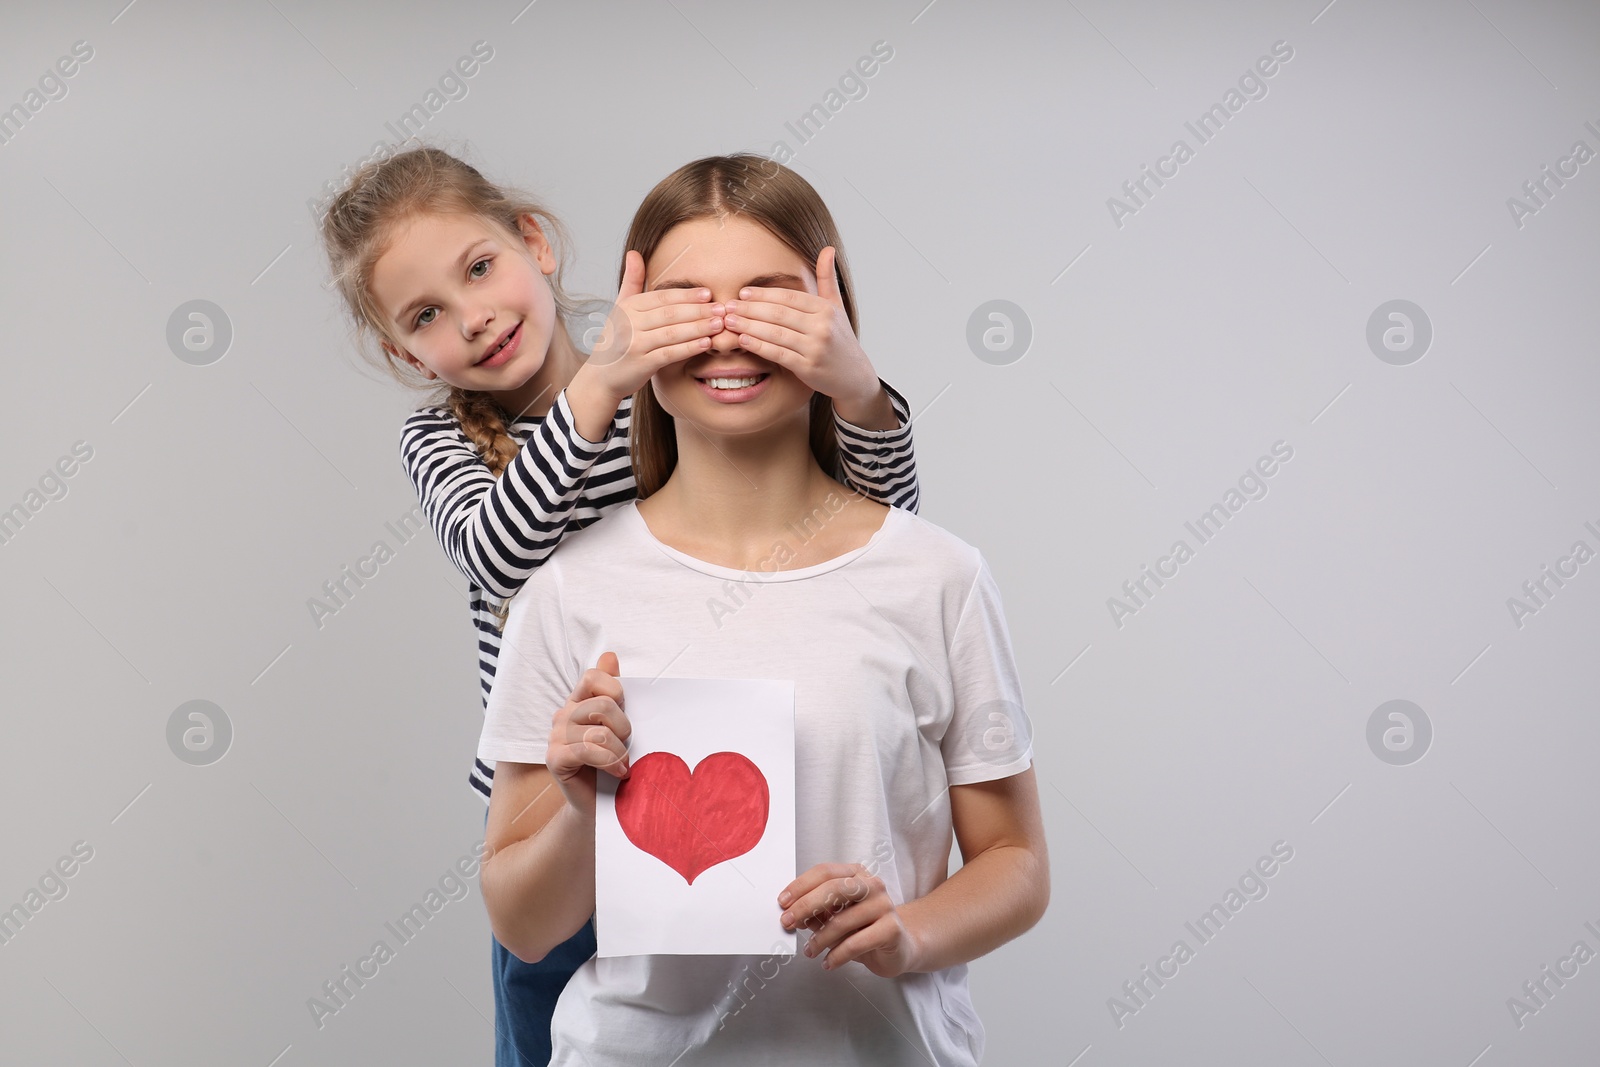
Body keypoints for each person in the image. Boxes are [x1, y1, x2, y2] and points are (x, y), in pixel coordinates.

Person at [319, 146, 924, 1066]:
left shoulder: (658, 375)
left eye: (479, 268)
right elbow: (497, 553)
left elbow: (878, 536)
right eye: (428, 315)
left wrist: (857, 390)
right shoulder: (444, 434)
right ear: (407, 352)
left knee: (742, 1030)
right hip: (567, 811)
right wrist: (596, 389)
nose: (474, 318)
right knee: (551, 1034)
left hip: (721, 777)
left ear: (536, 243)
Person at [478, 154, 1049, 1066]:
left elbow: (1016, 863)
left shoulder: (939, 575)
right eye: (685, 302)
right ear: (631, 328)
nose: (728, 333)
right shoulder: (566, 591)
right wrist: (583, 807)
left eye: (770, 297)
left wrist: (905, 932)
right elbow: (526, 922)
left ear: (833, 319)